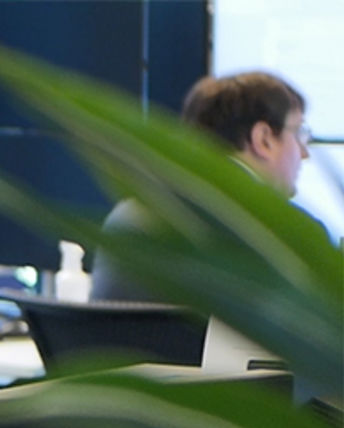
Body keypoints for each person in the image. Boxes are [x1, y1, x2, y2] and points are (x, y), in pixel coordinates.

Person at [89, 70, 313, 301]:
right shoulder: (269, 230)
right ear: (264, 138)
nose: (304, 153)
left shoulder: (130, 211)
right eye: (299, 133)